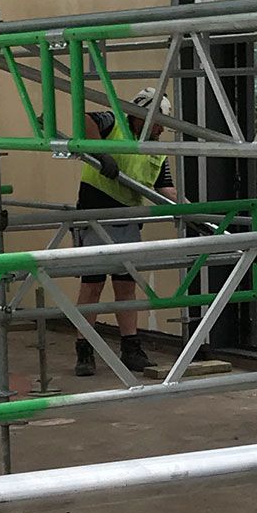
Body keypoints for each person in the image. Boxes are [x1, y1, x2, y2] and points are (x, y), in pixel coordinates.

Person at [71, 94, 172, 376]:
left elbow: (165, 188)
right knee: (92, 286)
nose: (162, 129)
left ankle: (131, 348)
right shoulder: (113, 122)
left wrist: (190, 210)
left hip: (128, 220)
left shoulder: (156, 150)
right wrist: (101, 152)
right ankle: (84, 350)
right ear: (141, 116)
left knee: (126, 286)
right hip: (96, 216)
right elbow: (84, 119)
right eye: (158, 122)